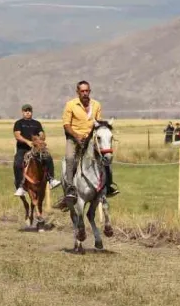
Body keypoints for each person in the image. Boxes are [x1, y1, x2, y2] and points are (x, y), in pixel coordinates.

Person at [54, 80, 118, 210]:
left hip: (90, 139)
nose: (85, 93)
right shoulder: (70, 105)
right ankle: (70, 189)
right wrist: (77, 136)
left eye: (87, 91)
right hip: (73, 138)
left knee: (105, 157)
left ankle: (108, 186)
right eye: (82, 91)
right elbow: (66, 125)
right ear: (77, 92)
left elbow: (98, 123)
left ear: (90, 91)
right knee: (70, 158)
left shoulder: (96, 105)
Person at [13, 104, 59, 197]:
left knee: (48, 157)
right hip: (23, 149)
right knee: (17, 163)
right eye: (26, 111)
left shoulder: (37, 123)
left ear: (31, 112)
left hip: (36, 148)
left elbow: (42, 134)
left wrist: (40, 139)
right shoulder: (19, 123)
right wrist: (27, 142)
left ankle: (51, 180)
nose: (27, 112)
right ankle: (20, 187)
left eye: (29, 110)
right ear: (22, 112)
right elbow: (17, 135)